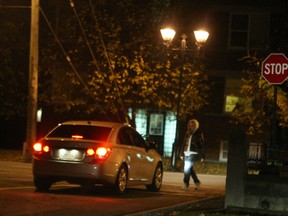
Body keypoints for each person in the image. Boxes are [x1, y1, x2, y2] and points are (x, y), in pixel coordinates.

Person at [180, 119, 205, 190]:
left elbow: (202, 144)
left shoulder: (199, 133)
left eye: (193, 125)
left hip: (193, 153)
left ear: (196, 125)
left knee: (186, 168)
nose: (191, 127)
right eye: (190, 125)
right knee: (189, 169)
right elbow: (184, 143)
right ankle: (197, 182)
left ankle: (185, 183)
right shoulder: (187, 133)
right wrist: (181, 153)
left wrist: (202, 155)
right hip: (186, 153)